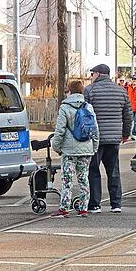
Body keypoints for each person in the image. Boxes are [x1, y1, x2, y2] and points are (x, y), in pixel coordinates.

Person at [84, 64, 132, 214]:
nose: (91, 77)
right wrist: (125, 134)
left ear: (98, 74)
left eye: (92, 74)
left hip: (96, 138)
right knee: (113, 171)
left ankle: (95, 204)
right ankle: (116, 204)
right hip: (114, 138)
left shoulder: (89, 91)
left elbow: (85, 115)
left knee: (93, 170)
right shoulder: (121, 91)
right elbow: (128, 116)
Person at [50, 80, 99, 218]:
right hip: (87, 149)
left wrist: (56, 146)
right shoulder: (88, 107)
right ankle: (83, 208)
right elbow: (95, 130)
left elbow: (59, 131)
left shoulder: (65, 107)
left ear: (69, 91)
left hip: (69, 151)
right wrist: (94, 147)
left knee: (67, 179)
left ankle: (64, 208)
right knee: (84, 179)